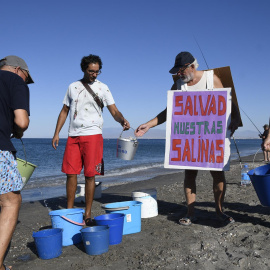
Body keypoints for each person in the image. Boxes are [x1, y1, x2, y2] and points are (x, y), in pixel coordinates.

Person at [135, 51, 241, 226]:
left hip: (211, 137)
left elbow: (228, 102)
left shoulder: (211, 79)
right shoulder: (178, 85)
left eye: (181, 70)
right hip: (190, 138)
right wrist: (149, 124)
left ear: (192, 66)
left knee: (217, 173)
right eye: (177, 71)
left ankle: (219, 211)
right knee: (189, 174)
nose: (179, 74)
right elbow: (170, 111)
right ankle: (190, 212)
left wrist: (235, 118)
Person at [52, 54, 130, 226]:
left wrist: (122, 120)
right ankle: (70, 210)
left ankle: (87, 214)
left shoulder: (103, 88)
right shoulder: (73, 86)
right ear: (84, 69)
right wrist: (56, 132)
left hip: (93, 135)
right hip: (73, 135)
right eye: (91, 71)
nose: (94, 74)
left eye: (97, 71)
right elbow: (64, 110)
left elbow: (114, 111)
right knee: (70, 173)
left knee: (90, 174)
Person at [0, 55, 33, 270]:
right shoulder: (14, 81)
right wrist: (18, 131)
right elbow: (21, 121)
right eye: (26, 77)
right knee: (11, 201)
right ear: (18, 70)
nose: (25, 81)